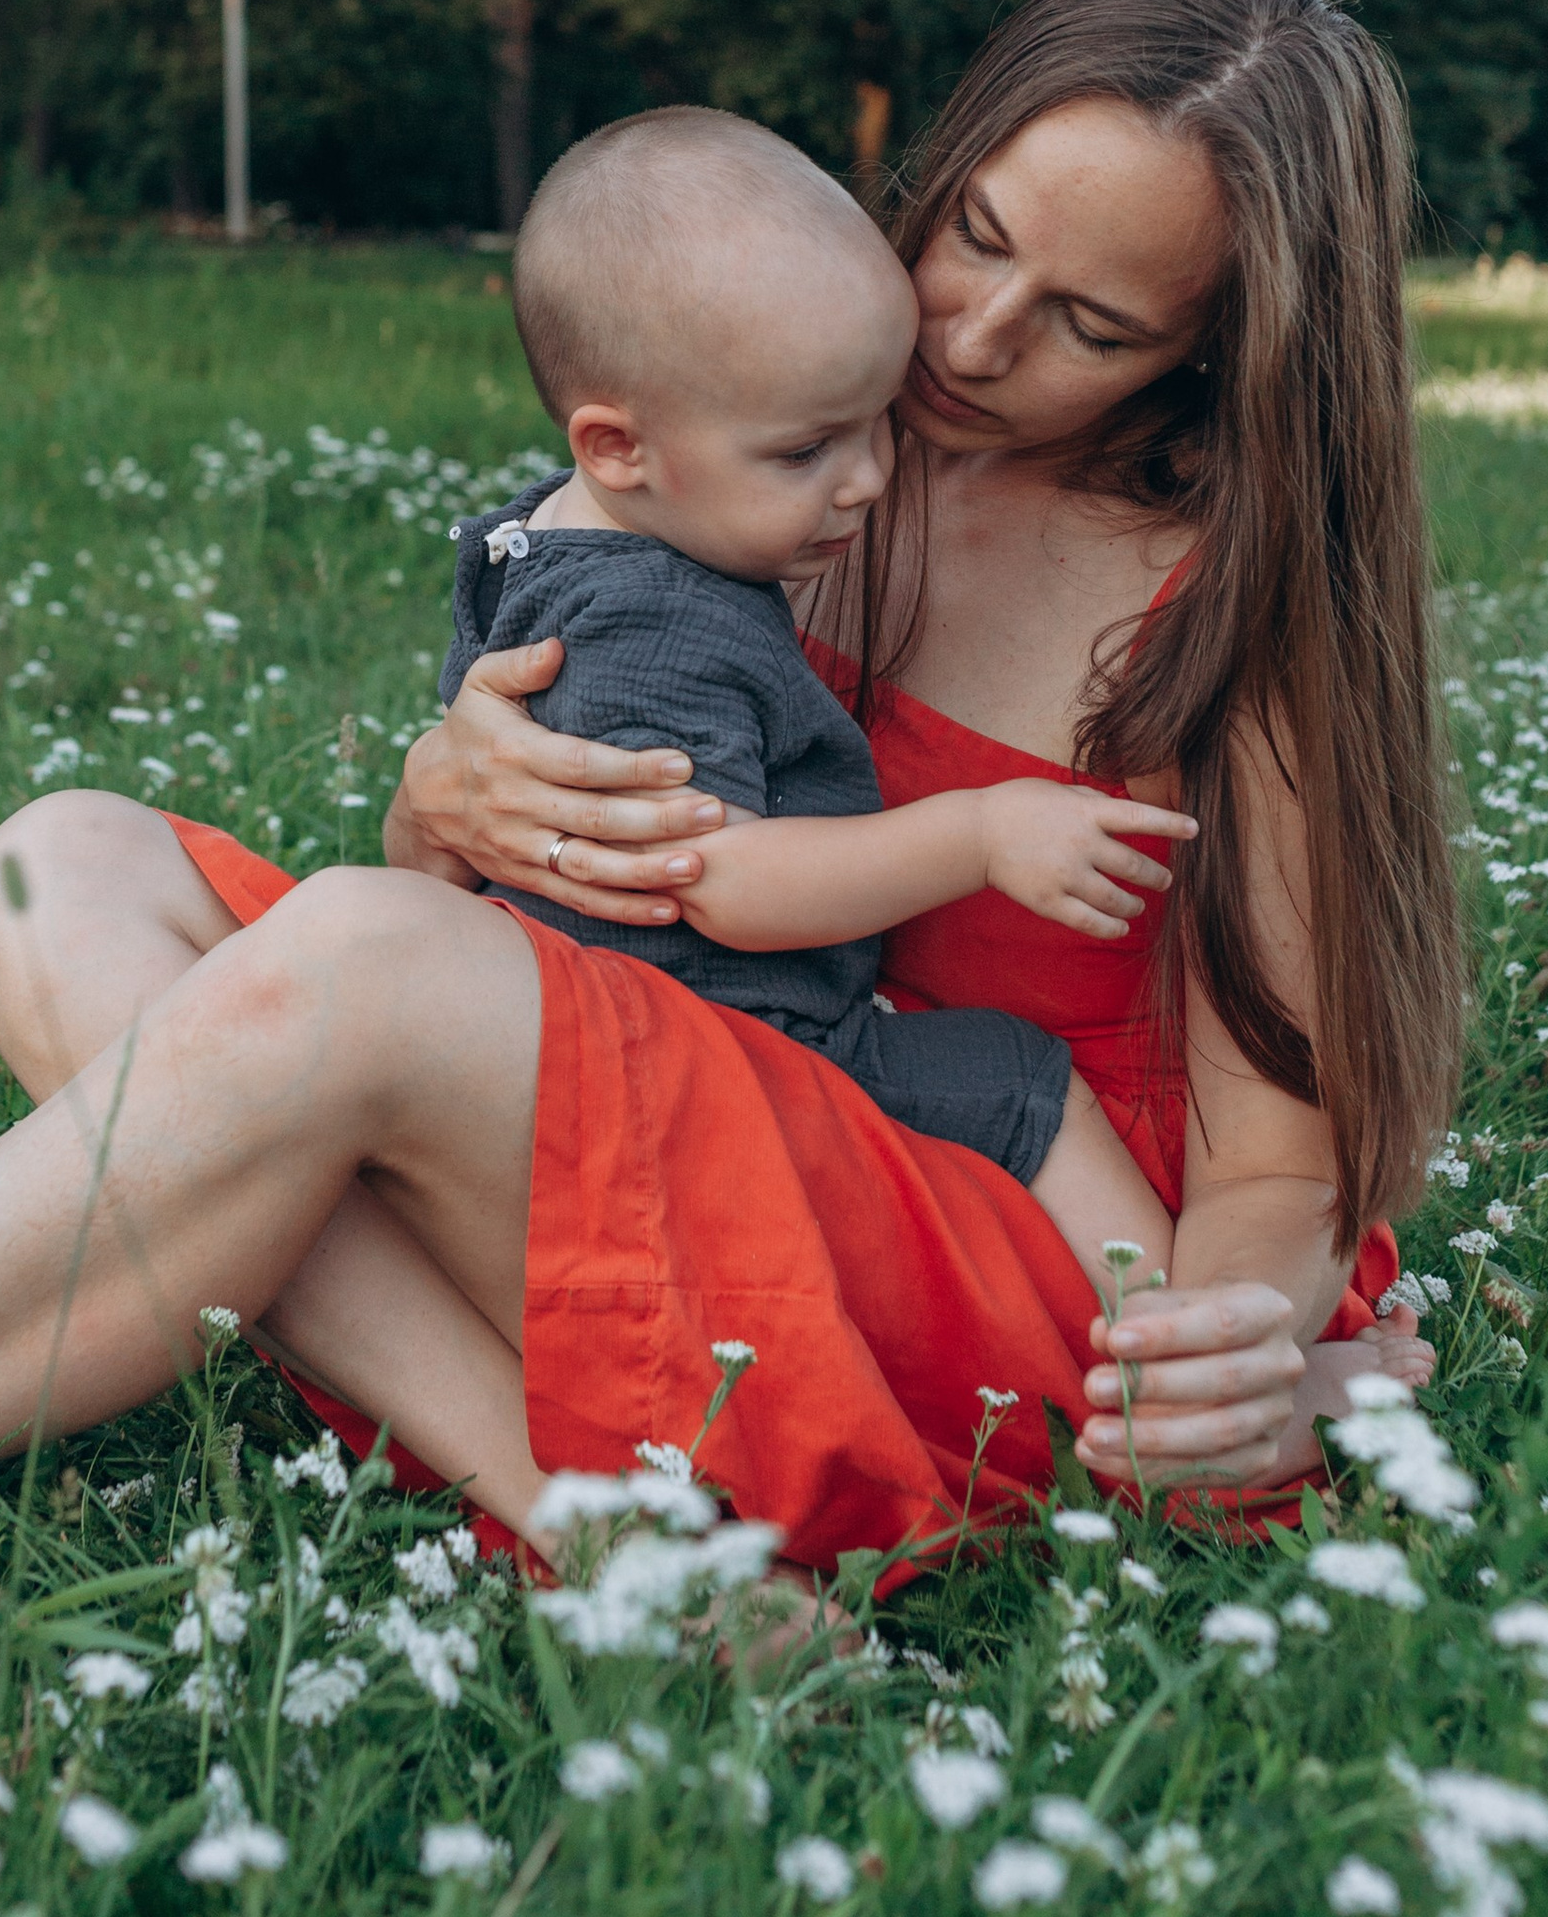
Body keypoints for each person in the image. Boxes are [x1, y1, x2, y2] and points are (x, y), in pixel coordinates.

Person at [0, 0, 1460, 1589]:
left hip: (970, 1232)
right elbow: (561, 834)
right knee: (54, 867)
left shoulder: (1223, 617)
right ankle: (582, 1521)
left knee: (360, 972)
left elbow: (1284, 1165)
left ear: (1220, 346)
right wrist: (440, 802)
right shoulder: (805, 437)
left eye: (1090, 322)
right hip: (692, 1078)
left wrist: (1234, 1341)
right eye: (973, 233)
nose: (976, 338)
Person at [444, 103, 1200, 1286]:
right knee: (1016, 1078)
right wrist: (978, 832)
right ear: (617, 447)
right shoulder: (661, 624)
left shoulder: (546, 538)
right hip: (719, 1054)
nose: (866, 482)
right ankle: (1180, 1343)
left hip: (580, 1025)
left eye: (874, 423)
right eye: (808, 452)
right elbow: (721, 879)